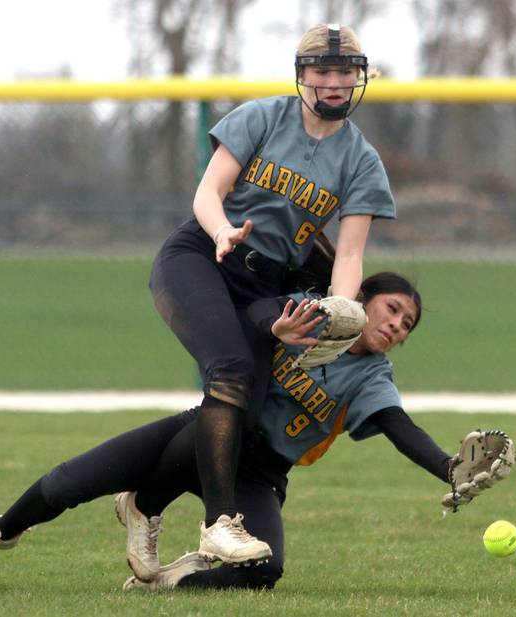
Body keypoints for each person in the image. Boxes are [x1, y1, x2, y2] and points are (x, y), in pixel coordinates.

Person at [0, 272, 453, 591]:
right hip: (209, 431)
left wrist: (451, 469)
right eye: (393, 309)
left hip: (262, 473)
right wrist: (279, 323)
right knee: (70, 483)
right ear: (362, 298)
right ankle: (2, 529)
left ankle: (172, 577)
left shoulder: (372, 376)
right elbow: (258, 311)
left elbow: (398, 425)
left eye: (407, 326)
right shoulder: (311, 316)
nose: (396, 326)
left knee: (263, 572)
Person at [147, 22, 396, 572]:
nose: (334, 82)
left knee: (246, 403)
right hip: (203, 255)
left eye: (345, 71)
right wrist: (220, 232)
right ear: (302, 75)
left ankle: (144, 502)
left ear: (360, 78)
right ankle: (217, 526)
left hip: (265, 283)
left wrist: (341, 309)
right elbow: (208, 193)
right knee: (232, 369)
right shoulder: (263, 116)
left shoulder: (361, 161)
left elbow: (350, 255)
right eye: (322, 70)